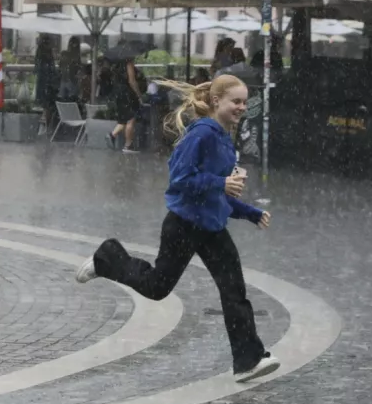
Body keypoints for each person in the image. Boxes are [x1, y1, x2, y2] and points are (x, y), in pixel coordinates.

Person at [75, 74, 280, 383]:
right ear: (216, 102)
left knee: (234, 290)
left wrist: (250, 213)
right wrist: (222, 182)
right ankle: (108, 257)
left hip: (211, 228)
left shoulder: (225, 136)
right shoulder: (203, 133)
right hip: (183, 225)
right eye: (235, 101)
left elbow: (218, 194)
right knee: (157, 287)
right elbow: (180, 180)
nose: (241, 108)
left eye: (243, 102)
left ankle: (248, 359)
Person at [106, 56, 143, 153]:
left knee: (124, 119)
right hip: (127, 94)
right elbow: (132, 81)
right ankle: (128, 145)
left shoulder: (116, 65)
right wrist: (139, 94)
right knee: (131, 119)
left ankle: (112, 135)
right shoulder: (128, 63)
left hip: (119, 93)